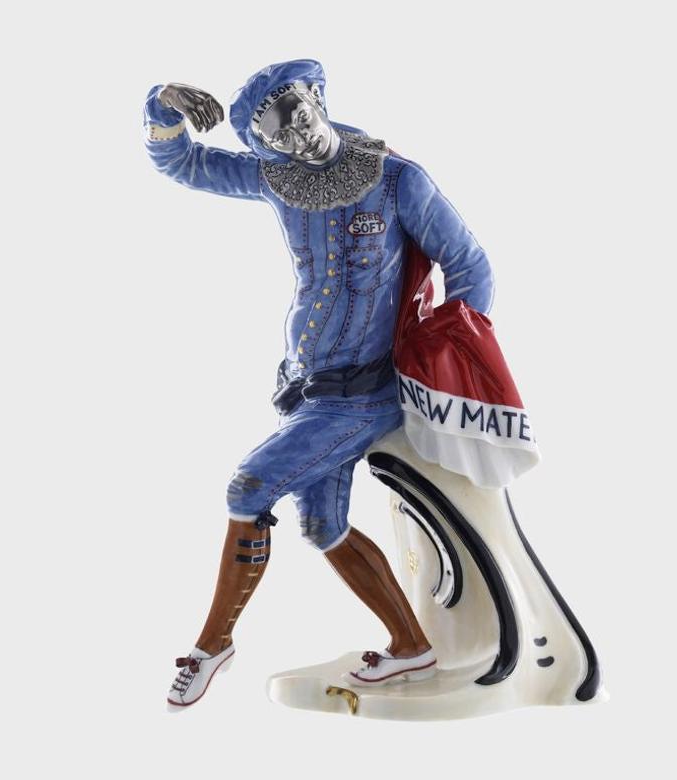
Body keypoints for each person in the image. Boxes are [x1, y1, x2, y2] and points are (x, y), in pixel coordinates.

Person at [143, 59, 495, 706]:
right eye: (278, 135)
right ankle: (412, 648)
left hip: (365, 395)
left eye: (300, 116)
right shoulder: (279, 179)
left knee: (249, 487)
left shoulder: (398, 180)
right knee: (322, 524)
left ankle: (212, 646)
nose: (297, 137)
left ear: (318, 100)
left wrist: (452, 362)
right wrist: (163, 104)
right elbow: (183, 164)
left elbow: (469, 264)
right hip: (304, 388)